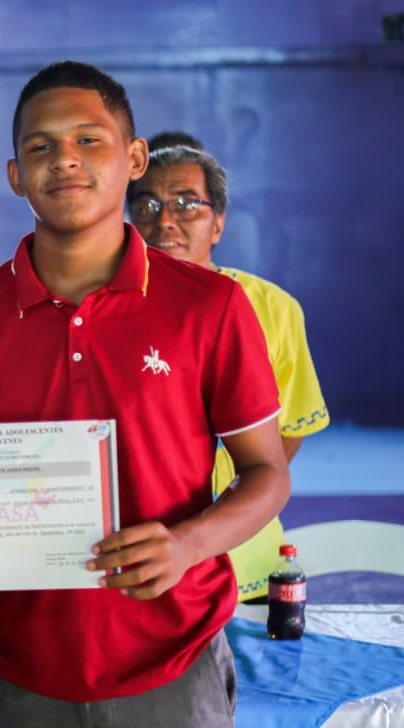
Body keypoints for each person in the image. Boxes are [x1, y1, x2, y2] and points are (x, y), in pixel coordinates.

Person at [0, 62, 290, 728]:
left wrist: (187, 544)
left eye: (87, 140)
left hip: (174, 659)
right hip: (29, 673)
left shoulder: (210, 305)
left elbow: (267, 472)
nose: (64, 160)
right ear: (15, 175)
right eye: (41, 146)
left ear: (133, 158)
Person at [127, 141, 329, 600]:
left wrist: (234, 502)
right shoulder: (102, 311)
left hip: (245, 557)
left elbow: (289, 431)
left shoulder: (273, 308)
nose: (164, 220)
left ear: (218, 222)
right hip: (141, 561)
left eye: (186, 204)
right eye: (148, 206)